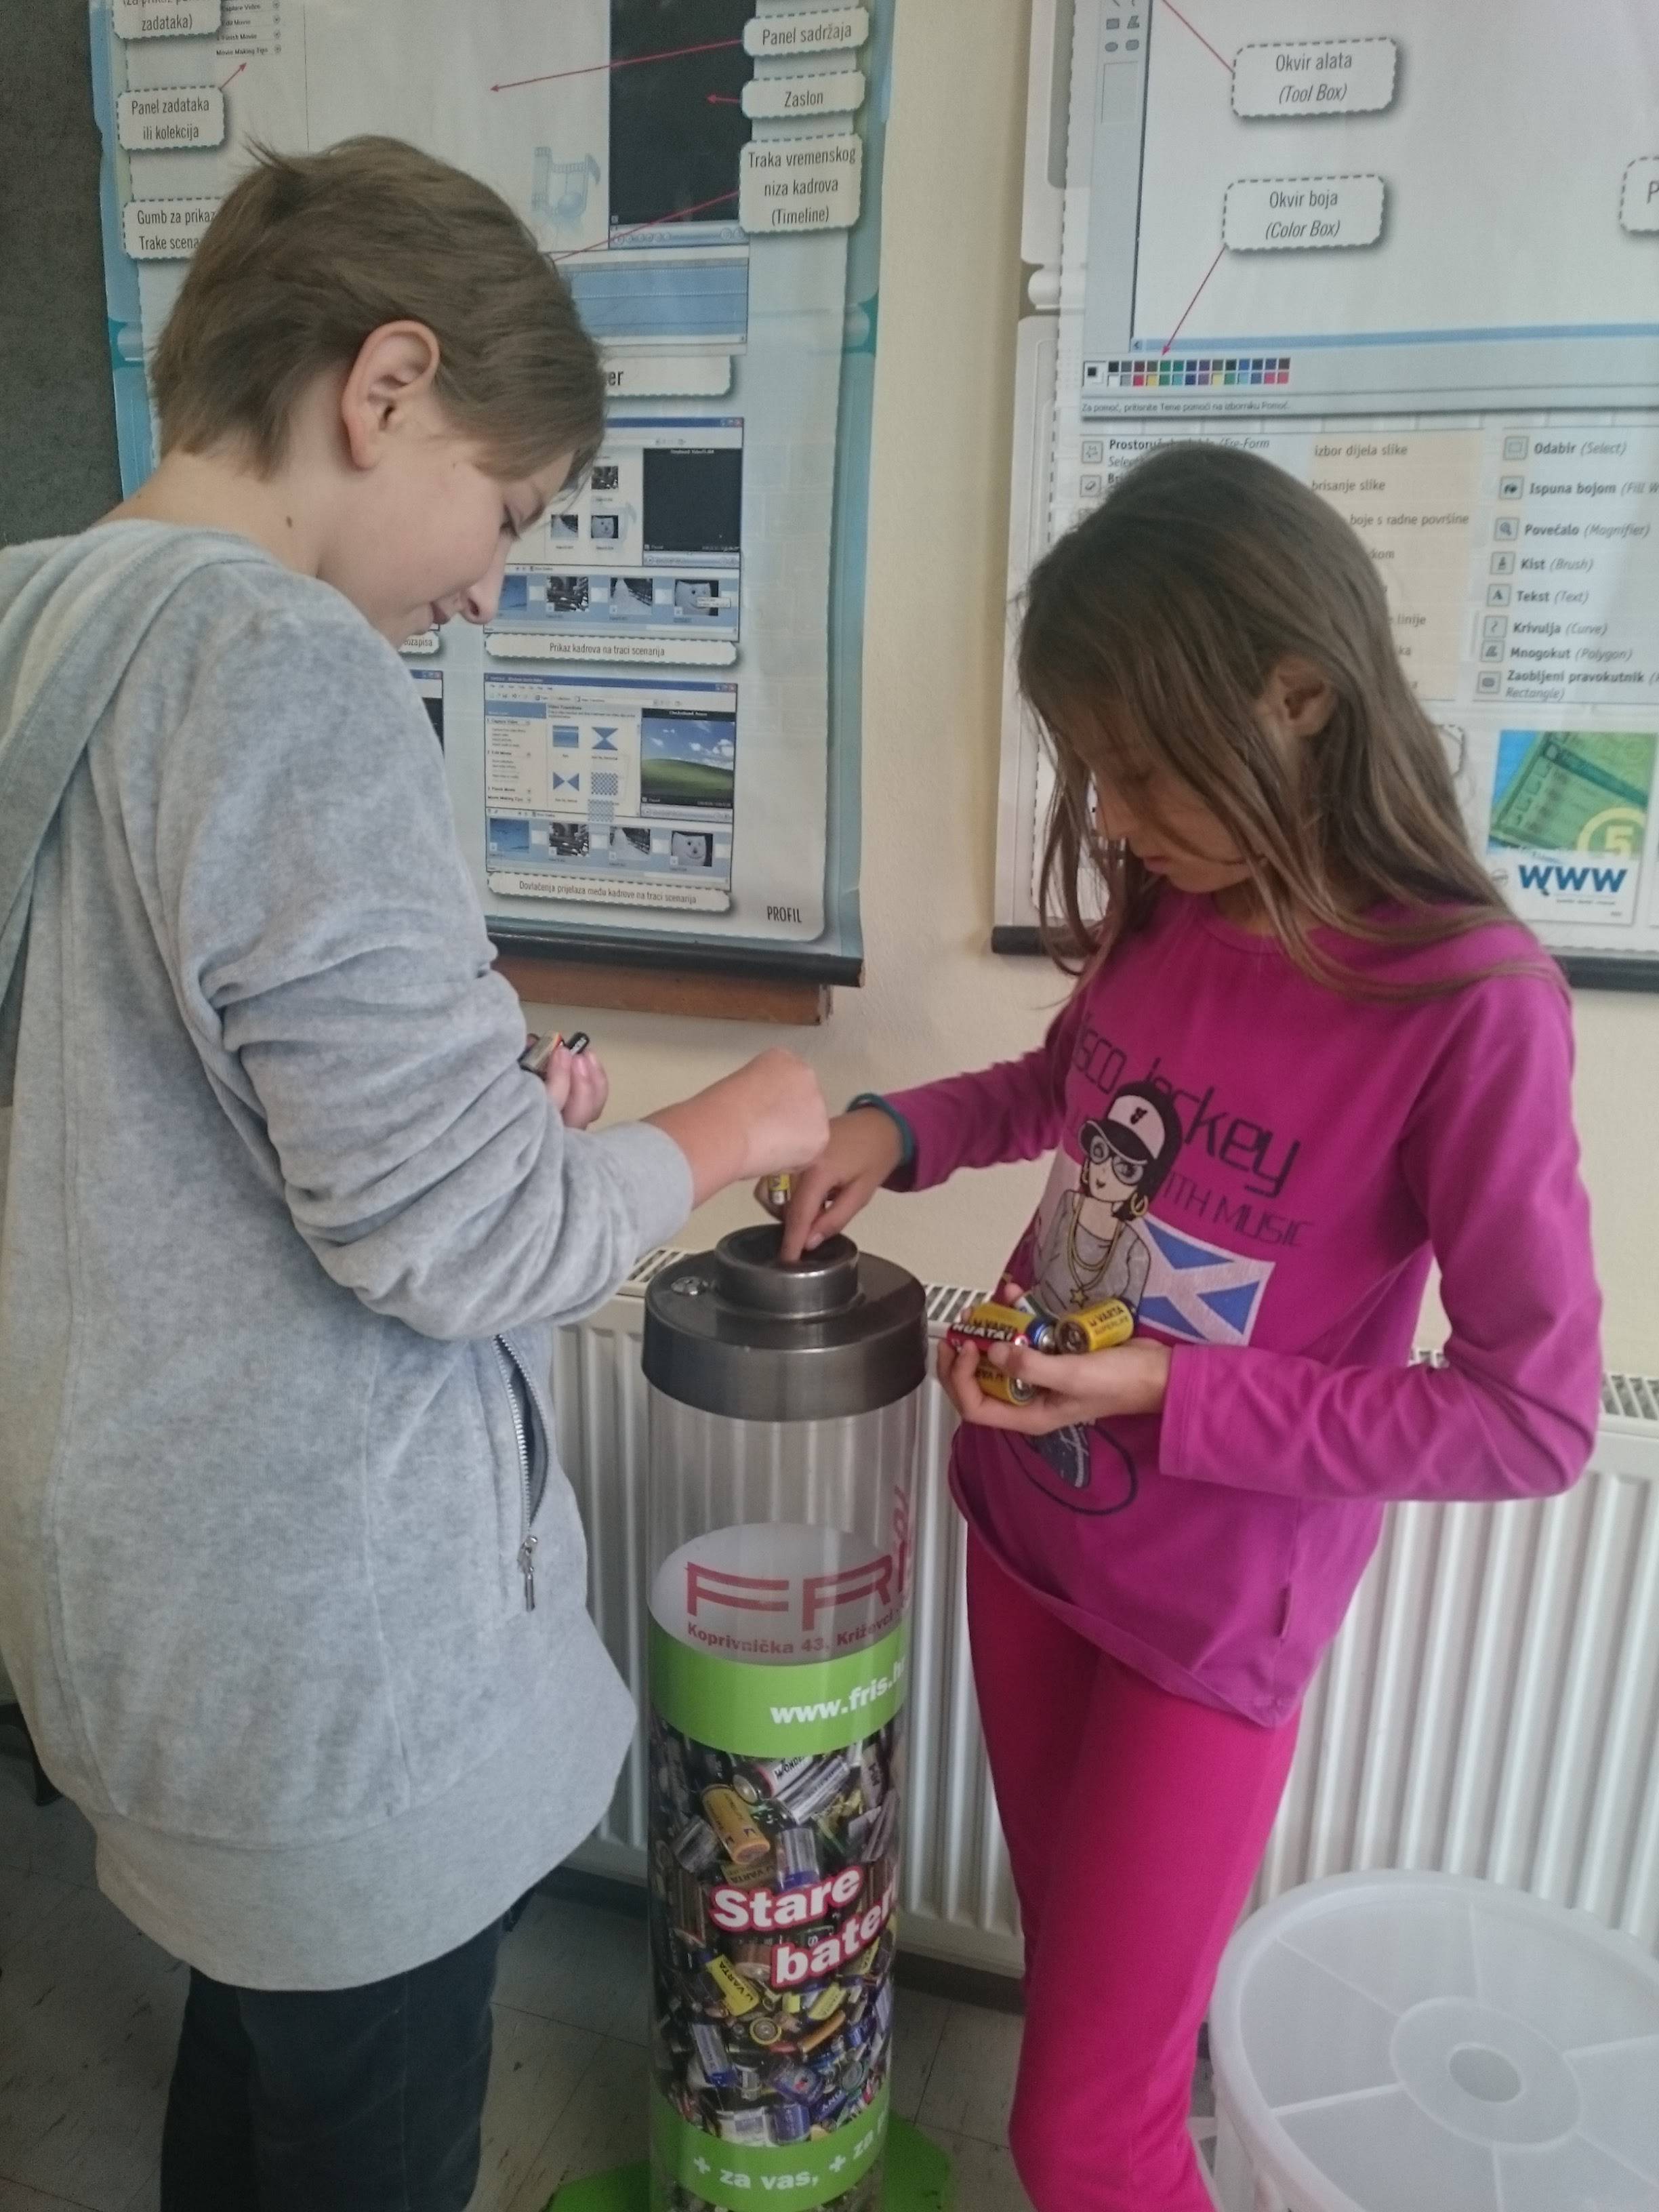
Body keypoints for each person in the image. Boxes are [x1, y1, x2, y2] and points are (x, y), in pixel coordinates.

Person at [0, 138, 827, 2212]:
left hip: (126, 1608)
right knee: (359, 2127)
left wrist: (466, 1101)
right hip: (320, 1654)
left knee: (255, 2070)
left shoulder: (29, 616)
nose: (486, 591)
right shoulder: (281, 666)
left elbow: (136, 1096)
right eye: (508, 512)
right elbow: (470, 1242)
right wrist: (726, 1129)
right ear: (384, 387)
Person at [776, 444, 1602, 2212]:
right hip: (1029, 1539)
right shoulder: (1179, 900)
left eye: (1140, 768)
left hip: (1205, 1630)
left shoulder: (1473, 1008)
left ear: (1299, 698)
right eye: (1092, 766)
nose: (1113, 813)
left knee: (1084, 2134)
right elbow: (1065, 1089)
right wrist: (897, 1131)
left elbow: (1532, 1420)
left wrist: (1168, 1387)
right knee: (1092, 2041)